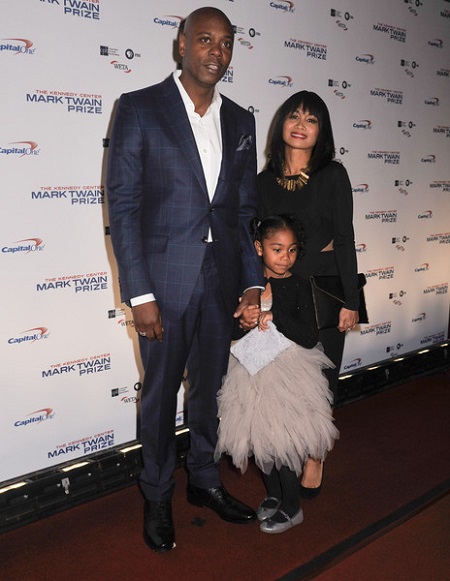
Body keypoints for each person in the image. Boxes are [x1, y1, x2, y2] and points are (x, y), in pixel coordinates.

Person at [106, 7, 265, 552]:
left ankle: (204, 480)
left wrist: (251, 282)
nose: (215, 52)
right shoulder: (140, 108)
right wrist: (140, 293)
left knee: (210, 393)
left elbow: (244, 213)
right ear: (181, 45)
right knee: (156, 398)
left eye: (225, 43)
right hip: (163, 289)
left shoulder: (241, 121)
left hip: (221, 286)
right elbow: (123, 208)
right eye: (204, 40)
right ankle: (155, 493)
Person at [257, 91, 359, 498]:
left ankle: (315, 454)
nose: (301, 124)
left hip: (327, 293)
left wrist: (351, 300)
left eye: (311, 119)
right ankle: (287, 445)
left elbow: (346, 240)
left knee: (322, 379)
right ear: (281, 123)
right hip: (279, 293)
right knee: (286, 380)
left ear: (322, 130)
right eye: (294, 116)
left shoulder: (333, 175)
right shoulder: (264, 182)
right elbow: (258, 240)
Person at [215, 215, 338, 534]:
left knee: (282, 443)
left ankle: (293, 506)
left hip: (288, 374)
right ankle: (274, 494)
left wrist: (276, 314)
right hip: (250, 372)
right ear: (258, 248)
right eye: (277, 249)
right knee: (259, 441)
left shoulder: (298, 284)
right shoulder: (245, 286)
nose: (285, 257)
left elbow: (310, 336)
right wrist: (245, 321)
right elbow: (230, 330)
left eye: (292, 250)